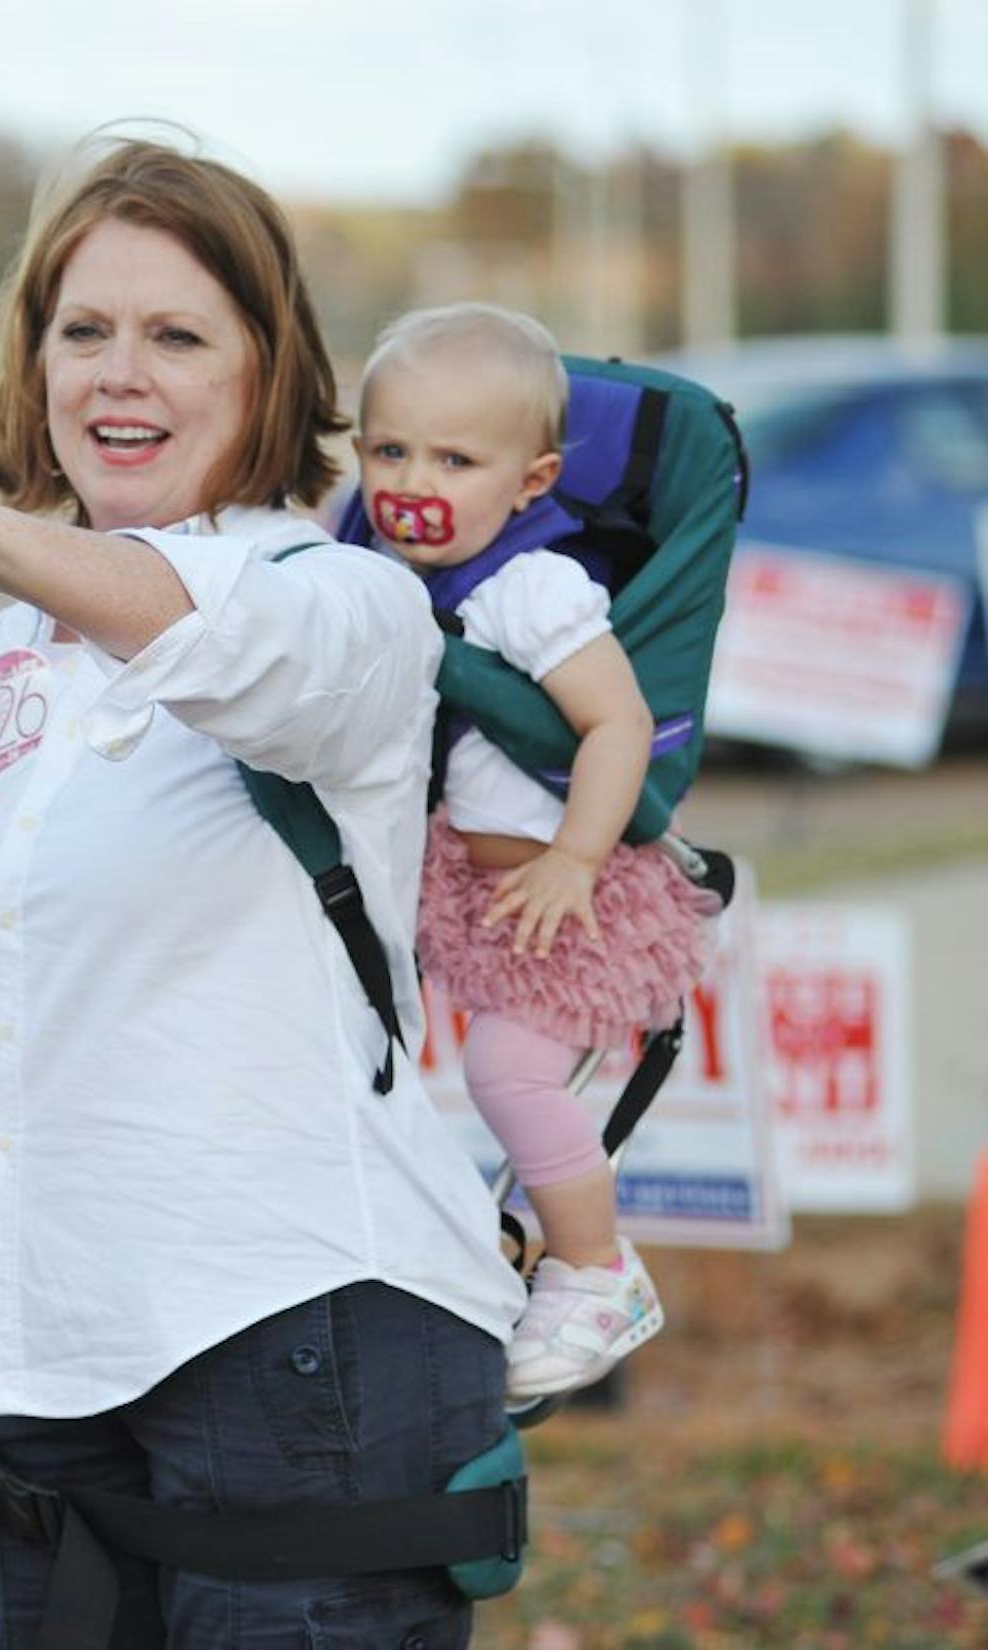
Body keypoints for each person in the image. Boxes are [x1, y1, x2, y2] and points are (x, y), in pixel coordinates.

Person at [0, 140, 525, 1648]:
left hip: (302, 1334)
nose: (117, 375)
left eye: (177, 334)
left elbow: (226, 651)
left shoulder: (350, 600)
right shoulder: (5, 649)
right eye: (84, 331)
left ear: (270, 376)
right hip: (52, 1357)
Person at [353, 303, 713, 1401]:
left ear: (530, 479)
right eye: (389, 450)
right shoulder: (377, 566)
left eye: (457, 459)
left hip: (577, 889)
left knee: (508, 1075)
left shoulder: (529, 587)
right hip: (489, 894)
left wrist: (575, 856)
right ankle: (517, 1245)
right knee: (466, 1078)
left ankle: (601, 1271)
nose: (415, 478)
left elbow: (618, 727)